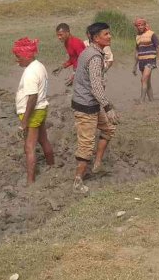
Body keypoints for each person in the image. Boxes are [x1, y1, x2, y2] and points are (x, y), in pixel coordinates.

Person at [71, 22, 119, 194]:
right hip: (86, 106)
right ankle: (78, 181)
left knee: (109, 128)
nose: (109, 36)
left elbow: (80, 73)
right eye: (106, 34)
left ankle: (98, 164)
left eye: (109, 33)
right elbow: (96, 86)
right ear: (96, 38)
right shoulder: (94, 57)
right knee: (86, 144)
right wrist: (108, 107)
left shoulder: (89, 52)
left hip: (90, 103)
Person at [13, 37, 55, 184]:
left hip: (33, 112)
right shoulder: (39, 66)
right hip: (41, 108)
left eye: (18, 57)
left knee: (29, 147)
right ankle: (51, 165)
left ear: (26, 56)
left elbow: (32, 97)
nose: (17, 60)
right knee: (43, 139)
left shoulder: (30, 73)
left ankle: (30, 180)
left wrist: (24, 122)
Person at [132, 18, 159, 103]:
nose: (140, 27)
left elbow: (158, 47)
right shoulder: (137, 37)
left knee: (143, 79)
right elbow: (137, 51)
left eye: (142, 25)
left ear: (144, 25)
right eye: (138, 25)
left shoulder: (151, 34)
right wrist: (135, 66)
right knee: (147, 82)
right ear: (136, 27)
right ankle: (152, 100)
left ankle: (142, 100)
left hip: (150, 61)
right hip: (141, 61)